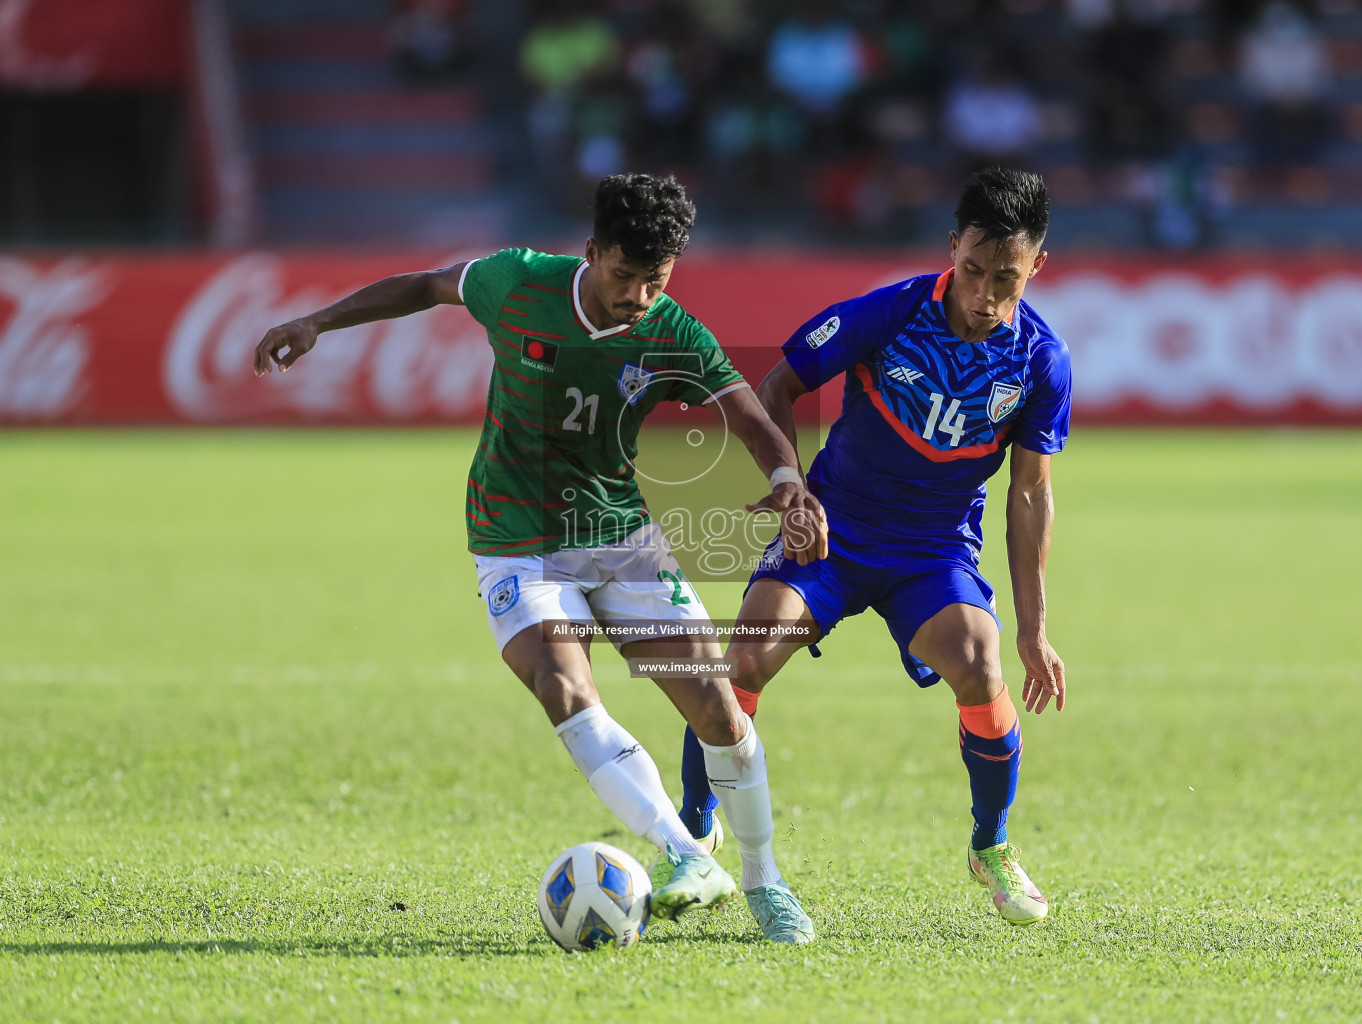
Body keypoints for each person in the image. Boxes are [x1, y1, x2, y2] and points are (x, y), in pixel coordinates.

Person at [252, 173, 823, 944]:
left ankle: (764, 880)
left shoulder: (672, 330)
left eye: (657, 279)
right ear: (591, 254)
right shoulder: (517, 281)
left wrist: (788, 481)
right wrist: (319, 321)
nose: (639, 296)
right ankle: (687, 854)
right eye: (625, 276)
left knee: (717, 710)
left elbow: (746, 414)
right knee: (562, 683)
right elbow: (425, 286)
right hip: (515, 536)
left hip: (619, 537)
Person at [676, 166, 1070, 925]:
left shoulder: (1041, 362)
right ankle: (694, 832)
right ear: (952, 248)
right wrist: (791, 486)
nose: (984, 296)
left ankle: (990, 845)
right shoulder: (890, 312)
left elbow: (1029, 492)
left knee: (981, 666)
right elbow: (780, 384)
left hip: (933, 552)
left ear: (1037, 268)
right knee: (746, 657)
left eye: (1006, 280)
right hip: (834, 529)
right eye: (973, 271)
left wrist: (1034, 628)